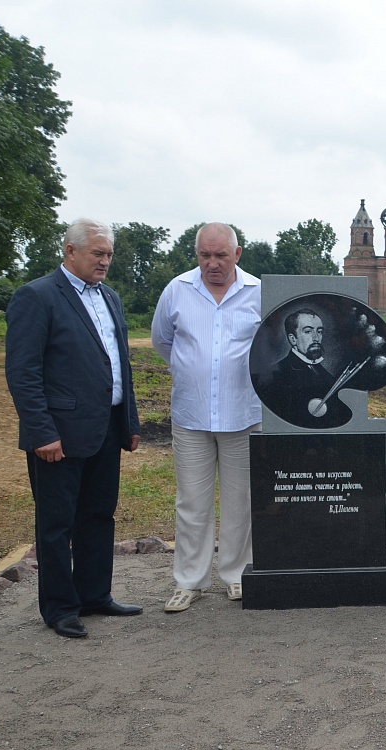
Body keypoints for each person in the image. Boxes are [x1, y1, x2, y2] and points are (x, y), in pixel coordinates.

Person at [4, 218, 143, 639]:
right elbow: (23, 372)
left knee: (99, 516)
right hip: (58, 436)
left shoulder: (110, 298)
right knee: (56, 523)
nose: (105, 261)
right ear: (70, 251)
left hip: (105, 430)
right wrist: (42, 431)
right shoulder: (37, 296)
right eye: (97, 253)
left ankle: (94, 595)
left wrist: (129, 420)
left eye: (109, 255)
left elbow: (119, 365)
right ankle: (61, 608)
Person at [151, 223, 261, 612]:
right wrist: (192, 371)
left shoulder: (257, 293)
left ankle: (236, 575)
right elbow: (163, 341)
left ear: (238, 254)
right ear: (196, 253)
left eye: (221, 256)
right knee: (192, 502)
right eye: (204, 255)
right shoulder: (177, 290)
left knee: (241, 501)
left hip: (243, 415)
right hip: (191, 414)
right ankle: (189, 581)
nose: (212, 264)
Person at [261, 308, 353, 428]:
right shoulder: (276, 374)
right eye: (308, 331)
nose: (316, 338)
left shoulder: (327, 375)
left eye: (319, 331)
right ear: (292, 339)